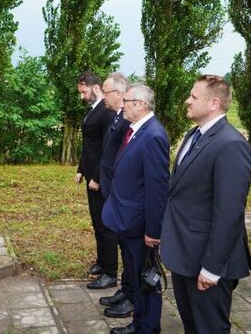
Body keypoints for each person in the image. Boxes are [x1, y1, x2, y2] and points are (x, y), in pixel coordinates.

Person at [160, 75, 251, 333]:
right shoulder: (195, 134)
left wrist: (212, 269)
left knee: (209, 328)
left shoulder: (231, 144)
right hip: (185, 253)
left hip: (208, 260)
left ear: (213, 103)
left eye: (193, 96)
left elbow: (229, 213)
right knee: (193, 325)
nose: (187, 101)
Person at [102, 84, 170, 334]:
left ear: (140, 104)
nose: (122, 105)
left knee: (146, 280)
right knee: (135, 275)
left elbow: (157, 188)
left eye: (127, 101)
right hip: (127, 220)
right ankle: (139, 323)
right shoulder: (136, 130)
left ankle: (148, 328)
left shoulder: (153, 135)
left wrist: (154, 230)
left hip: (140, 225)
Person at [75, 71, 118, 289]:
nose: (82, 96)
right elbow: (89, 145)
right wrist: (82, 169)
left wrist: (98, 177)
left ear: (96, 87)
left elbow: (108, 149)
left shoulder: (107, 112)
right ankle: (102, 262)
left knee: (106, 225)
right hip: (91, 176)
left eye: (84, 92)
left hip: (101, 180)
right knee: (97, 223)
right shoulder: (93, 110)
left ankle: (111, 272)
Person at [97, 72, 135, 318]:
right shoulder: (117, 117)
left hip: (121, 194)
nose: (103, 97)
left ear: (119, 94)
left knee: (131, 249)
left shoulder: (127, 122)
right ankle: (126, 289)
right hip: (111, 189)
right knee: (123, 246)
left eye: (106, 92)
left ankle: (132, 296)